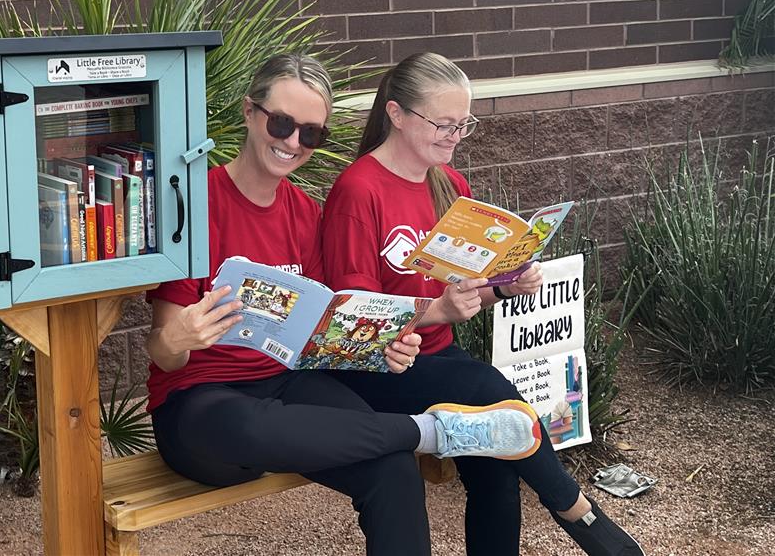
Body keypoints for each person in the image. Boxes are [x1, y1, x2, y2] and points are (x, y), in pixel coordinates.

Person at [145, 53, 541, 556]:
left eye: (311, 134)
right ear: (250, 112)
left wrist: (382, 348)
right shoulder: (194, 205)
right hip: (201, 401)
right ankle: (430, 432)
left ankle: (417, 436)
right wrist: (180, 338)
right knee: (248, 422)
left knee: (393, 470)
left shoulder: (306, 214)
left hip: (289, 382)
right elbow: (162, 351)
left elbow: (324, 334)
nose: (292, 143)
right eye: (283, 123)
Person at [320, 51, 646, 556]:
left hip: (437, 359)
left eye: (464, 124)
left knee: (497, 463)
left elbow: (463, 293)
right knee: (489, 391)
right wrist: (438, 311)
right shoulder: (358, 191)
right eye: (444, 124)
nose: (455, 136)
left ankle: (573, 516)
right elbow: (355, 319)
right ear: (397, 114)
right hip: (380, 369)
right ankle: (577, 512)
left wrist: (504, 287)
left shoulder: (449, 185)